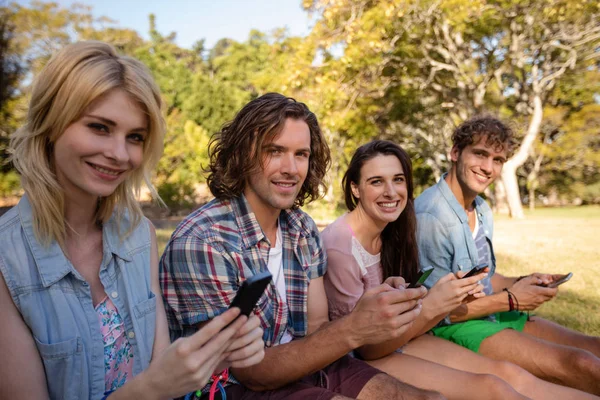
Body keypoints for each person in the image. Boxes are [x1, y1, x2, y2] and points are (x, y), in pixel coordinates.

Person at [0, 41, 264, 400]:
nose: (119, 154)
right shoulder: (6, 260)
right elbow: (154, 385)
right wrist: (150, 389)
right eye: (99, 127)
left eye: (135, 137)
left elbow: (160, 369)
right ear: (51, 123)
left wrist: (213, 356)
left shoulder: (139, 235)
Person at [160, 93, 443, 399]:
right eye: (275, 151)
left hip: (306, 365)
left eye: (301, 154)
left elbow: (317, 328)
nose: (291, 168)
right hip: (232, 388)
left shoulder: (301, 228)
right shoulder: (203, 242)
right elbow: (251, 373)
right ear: (242, 154)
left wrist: (370, 312)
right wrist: (354, 328)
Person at [323, 139, 596, 400]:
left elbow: (409, 312)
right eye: (376, 182)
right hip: (363, 358)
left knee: (508, 374)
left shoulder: (393, 231)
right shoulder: (340, 246)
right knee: (493, 388)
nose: (391, 192)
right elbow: (363, 346)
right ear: (355, 188)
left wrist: (446, 297)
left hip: (404, 337)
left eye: (398, 180)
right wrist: (435, 305)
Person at [415, 116, 600, 395]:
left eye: (498, 159)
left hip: (489, 312)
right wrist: (512, 300)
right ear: (455, 153)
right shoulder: (432, 215)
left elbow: (485, 279)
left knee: (594, 348)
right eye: (480, 154)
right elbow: (437, 312)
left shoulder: (480, 208)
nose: (488, 168)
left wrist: (523, 282)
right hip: (452, 328)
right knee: (582, 364)